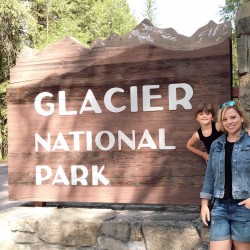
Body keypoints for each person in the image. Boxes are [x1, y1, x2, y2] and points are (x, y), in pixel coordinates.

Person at [200, 100, 250, 250]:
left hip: (244, 207)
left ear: (242, 117)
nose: (229, 122)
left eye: (233, 117)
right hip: (220, 207)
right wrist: (204, 204)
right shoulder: (216, 145)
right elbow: (210, 176)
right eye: (225, 119)